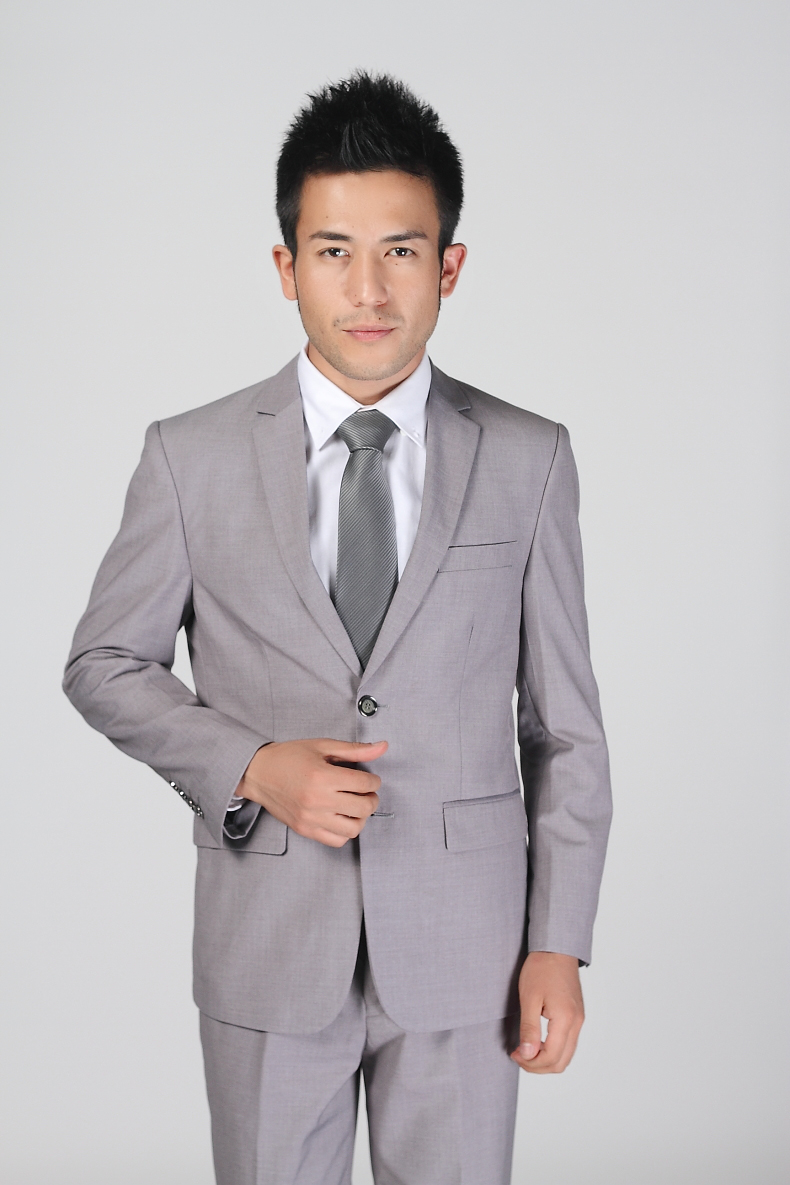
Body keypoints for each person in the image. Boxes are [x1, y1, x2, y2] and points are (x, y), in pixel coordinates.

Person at [64, 71, 612, 1185]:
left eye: (401, 251)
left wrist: (558, 941)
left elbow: (565, 730)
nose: (368, 288)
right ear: (286, 267)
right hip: (268, 946)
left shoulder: (529, 457)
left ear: (449, 266)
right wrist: (252, 765)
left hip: (468, 954)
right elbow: (104, 664)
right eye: (332, 251)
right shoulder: (190, 457)